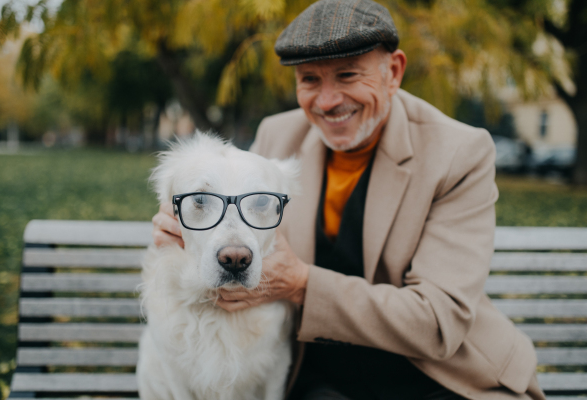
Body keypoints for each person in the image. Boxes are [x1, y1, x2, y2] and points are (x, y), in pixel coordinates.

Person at [151, 0, 546, 399]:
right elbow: (236, 242)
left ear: (393, 72)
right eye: (309, 80)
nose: (326, 102)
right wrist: (185, 231)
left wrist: (302, 285)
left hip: (438, 378)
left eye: (347, 76)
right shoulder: (276, 139)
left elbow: (437, 323)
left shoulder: (460, 153)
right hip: (320, 376)